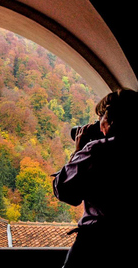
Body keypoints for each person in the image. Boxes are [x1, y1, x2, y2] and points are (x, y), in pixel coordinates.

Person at [53, 88, 138, 267]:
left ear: (111, 120)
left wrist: (78, 151)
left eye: (101, 118)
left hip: (96, 245)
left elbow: (65, 192)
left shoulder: (97, 151)